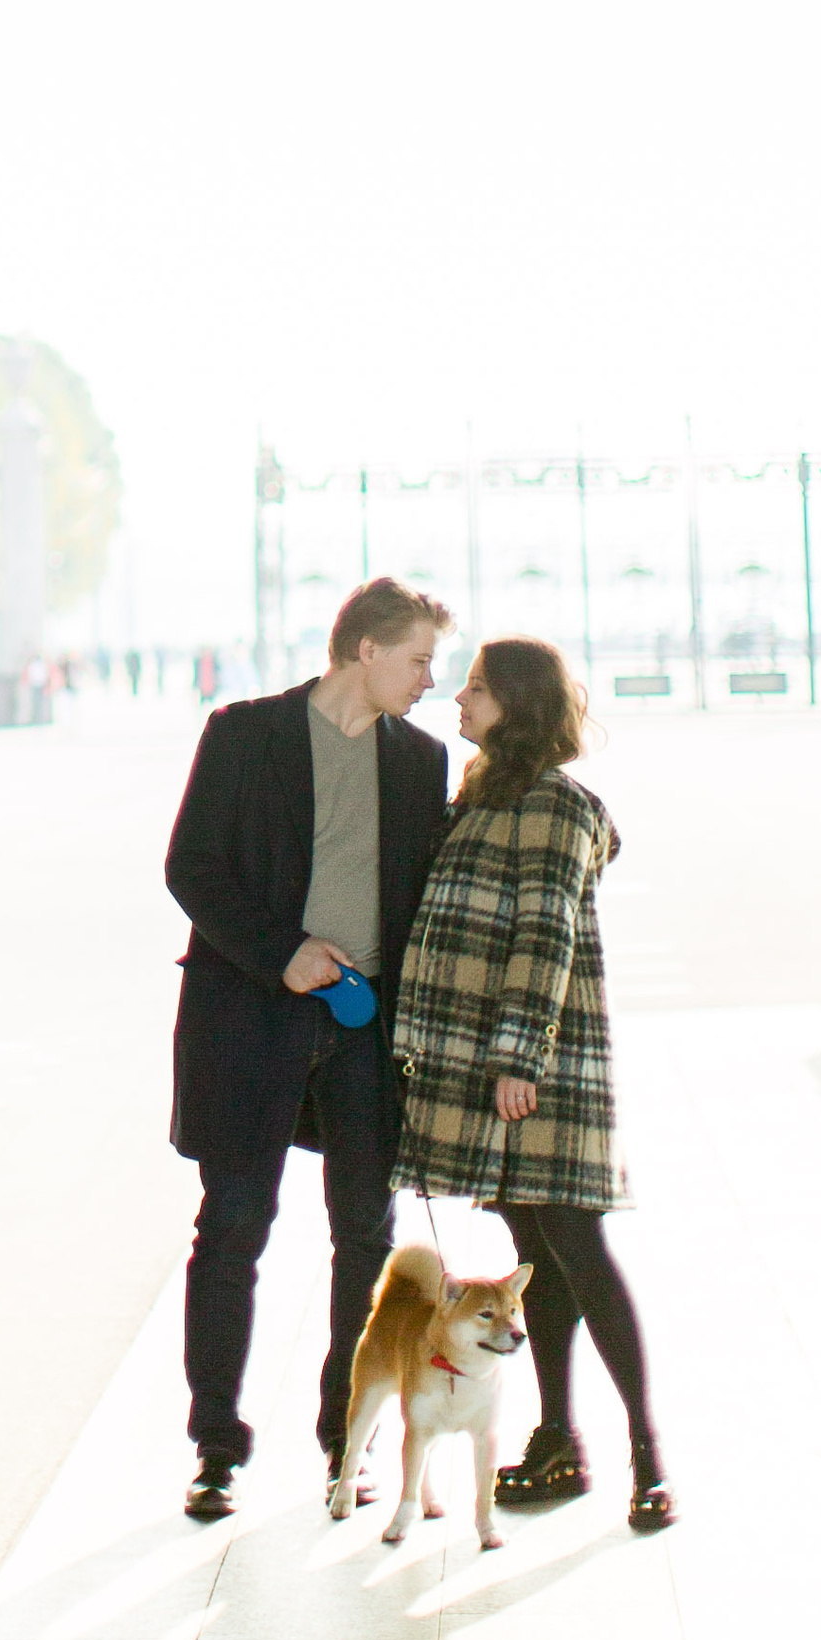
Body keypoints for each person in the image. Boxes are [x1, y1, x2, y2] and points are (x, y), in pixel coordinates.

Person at [165, 577, 452, 1520]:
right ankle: (217, 1448)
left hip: (367, 1034)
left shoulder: (421, 760)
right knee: (234, 1228)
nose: (428, 680)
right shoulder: (245, 734)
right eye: (416, 659)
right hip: (251, 1021)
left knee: (363, 1236)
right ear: (364, 649)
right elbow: (192, 865)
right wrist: (280, 954)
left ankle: (346, 1437)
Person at [393, 636, 673, 1532]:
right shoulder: (479, 800)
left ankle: (648, 1458)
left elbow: (542, 935)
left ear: (517, 702)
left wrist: (519, 1055)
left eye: (475, 689)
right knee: (533, 1258)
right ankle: (558, 1438)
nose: (458, 701)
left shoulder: (553, 806)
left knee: (577, 1247)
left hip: (539, 1070)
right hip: (500, 1071)